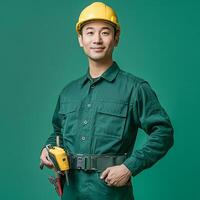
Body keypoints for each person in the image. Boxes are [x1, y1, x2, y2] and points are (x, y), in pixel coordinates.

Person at [40, 2, 174, 200]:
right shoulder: (68, 92)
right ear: (80, 39)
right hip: (71, 192)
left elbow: (163, 133)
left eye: (105, 32)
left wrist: (129, 167)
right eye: (90, 32)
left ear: (116, 38)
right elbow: (57, 132)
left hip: (110, 193)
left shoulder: (135, 89)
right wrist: (48, 147)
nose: (97, 39)